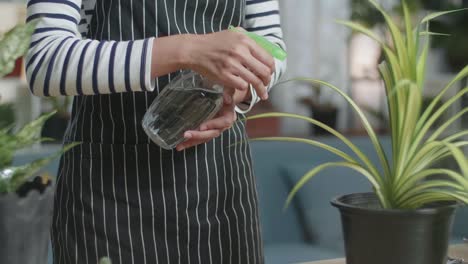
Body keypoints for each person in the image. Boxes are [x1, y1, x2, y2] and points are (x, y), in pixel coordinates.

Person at [26, 0, 286, 263]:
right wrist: (188, 50)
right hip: (111, 194)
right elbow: (46, 61)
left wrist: (236, 92)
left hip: (221, 185)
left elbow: (270, 45)